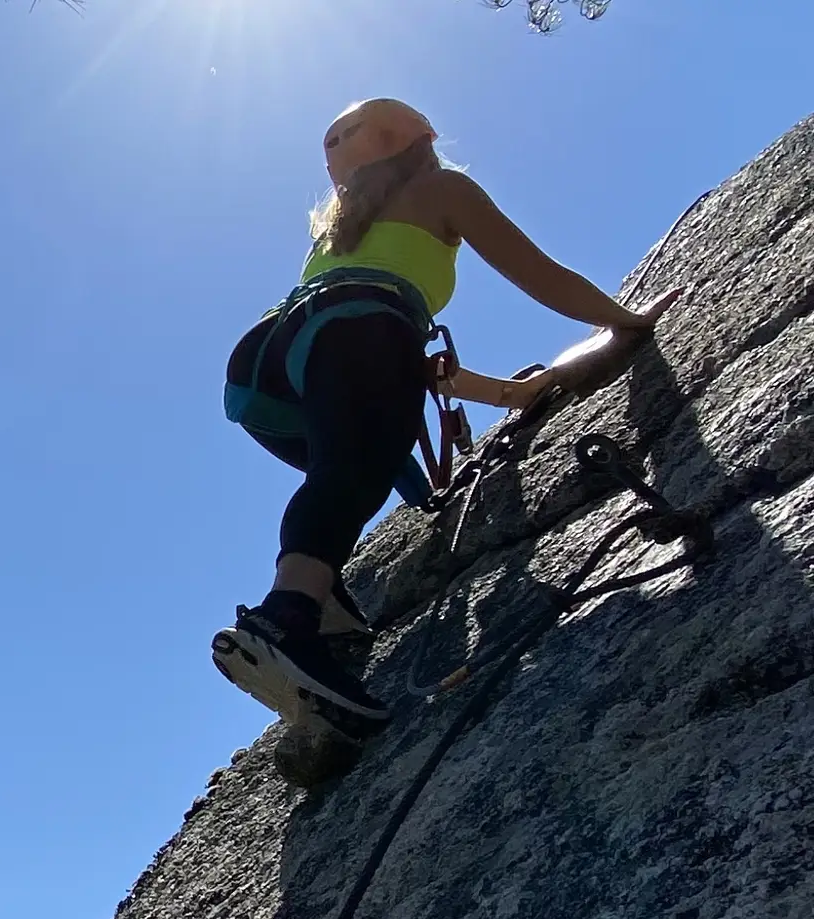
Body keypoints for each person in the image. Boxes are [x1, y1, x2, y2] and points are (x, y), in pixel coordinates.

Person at [211, 97, 681, 738]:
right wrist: (626, 318)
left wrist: (509, 397)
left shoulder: (339, 231)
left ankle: (320, 610)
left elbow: (392, 363)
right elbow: (536, 273)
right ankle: (288, 618)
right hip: (357, 337)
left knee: (345, 470)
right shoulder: (441, 189)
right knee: (351, 471)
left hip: (269, 364)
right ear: (421, 140)